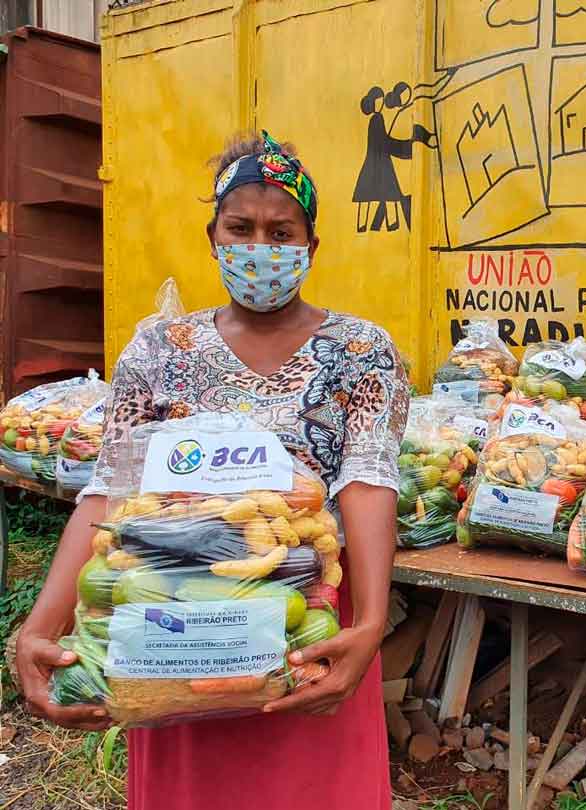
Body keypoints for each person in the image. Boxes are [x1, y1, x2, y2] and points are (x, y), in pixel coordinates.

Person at [15, 131, 408, 810]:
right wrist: (40, 627)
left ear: (311, 246)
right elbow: (109, 490)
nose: (260, 246)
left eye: (281, 231)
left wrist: (369, 624)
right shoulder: (162, 348)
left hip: (300, 622)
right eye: (242, 228)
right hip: (171, 625)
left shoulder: (360, 350)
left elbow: (368, 484)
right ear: (214, 237)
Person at [353, 84, 437, 233]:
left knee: (381, 195)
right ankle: (384, 224)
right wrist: (408, 148)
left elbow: (385, 142)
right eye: (379, 99)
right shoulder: (377, 119)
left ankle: (382, 224)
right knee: (383, 195)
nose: (382, 102)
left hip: (379, 162)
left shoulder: (380, 118)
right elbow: (385, 142)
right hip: (379, 162)